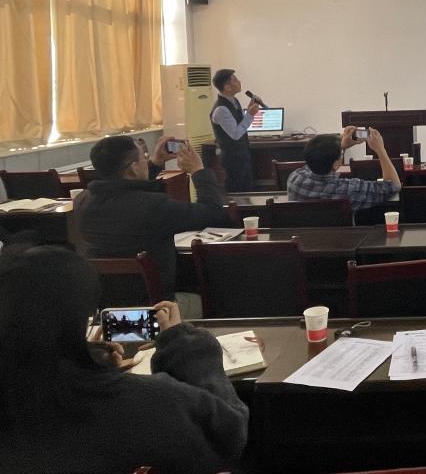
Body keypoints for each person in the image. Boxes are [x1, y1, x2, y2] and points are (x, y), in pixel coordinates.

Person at [0, 246, 248, 473]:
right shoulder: (146, 402)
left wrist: (88, 362)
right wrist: (182, 343)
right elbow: (229, 433)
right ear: (80, 317)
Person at [77, 135, 229, 300]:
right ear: (134, 168)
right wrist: (198, 170)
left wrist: (155, 164)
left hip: (107, 305)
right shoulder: (154, 207)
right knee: (218, 296)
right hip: (159, 307)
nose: (146, 159)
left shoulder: (82, 201)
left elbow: (126, 193)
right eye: (144, 157)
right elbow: (212, 212)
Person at [287, 127, 402, 210]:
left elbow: (314, 160)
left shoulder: (295, 179)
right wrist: (380, 150)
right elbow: (393, 185)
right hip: (340, 238)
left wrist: (340, 147)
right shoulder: (349, 189)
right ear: (336, 164)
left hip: (304, 237)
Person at [210, 68, 260, 192]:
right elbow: (236, 134)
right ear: (227, 87)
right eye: (235, 80)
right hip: (232, 160)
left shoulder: (234, 101)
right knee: (237, 193)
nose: (239, 81)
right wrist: (250, 115)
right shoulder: (221, 109)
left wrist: (249, 110)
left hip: (242, 155)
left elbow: (240, 123)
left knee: (247, 190)